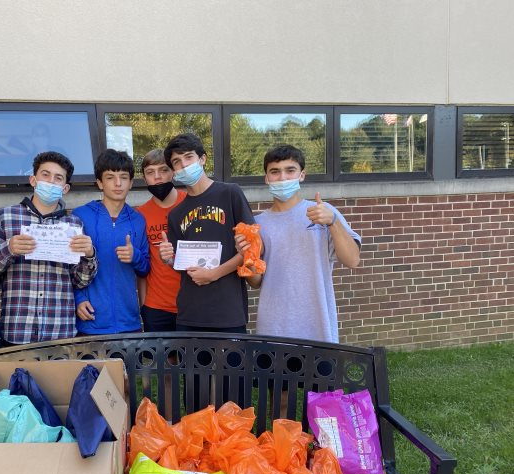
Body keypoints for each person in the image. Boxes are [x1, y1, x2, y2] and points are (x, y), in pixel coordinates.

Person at [236, 144, 361, 343]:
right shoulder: (257, 224)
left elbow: (353, 260)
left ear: (302, 175)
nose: (283, 178)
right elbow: (257, 282)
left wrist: (333, 223)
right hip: (272, 331)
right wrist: (247, 257)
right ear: (266, 178)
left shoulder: (323, 211)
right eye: (275, 172)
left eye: (290, 170)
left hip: (318, 331)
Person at [0, 151, 98, 345]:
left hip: (60, 331)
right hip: (17, 329)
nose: (50, 182)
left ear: (65, 188)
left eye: (58, 178)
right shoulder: (6, 216)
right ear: (33, 180)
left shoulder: (73, 224)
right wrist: (9, 248)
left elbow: (80, 281)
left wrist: (89, 255)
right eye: (45, 175)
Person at [158, 133, 255, 333]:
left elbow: (252, 248)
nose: (183, 165)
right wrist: (169, 260)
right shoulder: (176, 214)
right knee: (191, 366)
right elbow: (183, 266)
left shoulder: (230, 193)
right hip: (190, 314)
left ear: (202, 159)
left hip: (227, 312)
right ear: (174, 171)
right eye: (177, 161)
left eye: (188, 157)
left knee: (232, 366)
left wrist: (213, 274)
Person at [73, 149, 149, 334]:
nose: (117, 183)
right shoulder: (81, 215)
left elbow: (145, 268)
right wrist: (78, 299)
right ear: (100, 183)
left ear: (131, 183)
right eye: (110, 177)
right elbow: (68, 265)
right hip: (91, 319)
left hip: (128, 321)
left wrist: (135, 256)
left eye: (123, 177)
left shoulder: (138, 220)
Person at [136, 149, 187, 332]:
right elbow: (143, 264)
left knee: (192, 359)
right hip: (156, 306)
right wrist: (144, 305)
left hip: (190, 304)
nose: (157, 178)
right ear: (144, 178)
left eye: (163, 170)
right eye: (150, 172)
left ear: (173, 171)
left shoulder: (191, 203)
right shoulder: (140, 215)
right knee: (163, 360)